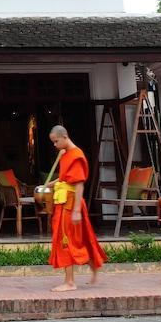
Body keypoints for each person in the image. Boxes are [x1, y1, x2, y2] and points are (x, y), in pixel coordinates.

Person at [47, 125, 106, 291]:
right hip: (63, 202)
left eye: (56, 141)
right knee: (70, 239)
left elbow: (79, 184)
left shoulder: (76, 155)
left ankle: (70, 282)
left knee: (67, 240)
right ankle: (91, 264)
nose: (55, 145)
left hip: (71, 203)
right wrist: (50, 185)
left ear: (65, 137)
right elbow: (65, 178)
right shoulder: (65, 154)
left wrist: (76, 211)